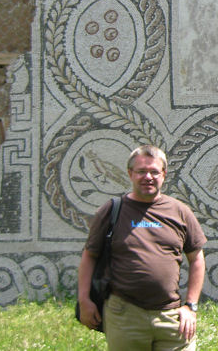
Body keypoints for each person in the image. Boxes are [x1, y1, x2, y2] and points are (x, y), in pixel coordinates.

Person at [78, 145, 207, 350]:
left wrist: (191, 306)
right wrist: (84, 299)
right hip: (125, 315)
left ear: (163, 174)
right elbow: (89, 256)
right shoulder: (112, 210)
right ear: (130, 174)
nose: (148, 176)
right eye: (141, 171)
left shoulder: (180, 211)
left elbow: (197, 258)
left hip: (171, 316)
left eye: (154, 171)